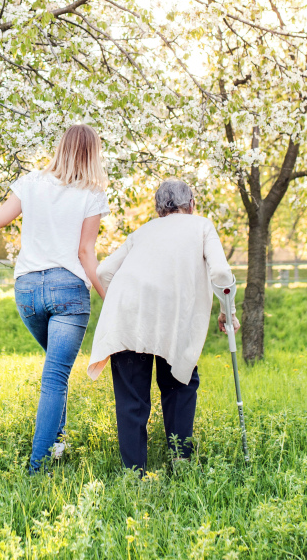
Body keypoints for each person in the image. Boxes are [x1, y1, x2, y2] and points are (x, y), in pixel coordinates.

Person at [0, 124, 110, 473]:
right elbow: (86, 253)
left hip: (28, 290)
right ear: (92, 154)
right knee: (56, 375)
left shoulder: (31, 182)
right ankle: (37, 468)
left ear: (60, 148)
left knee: (56, 369)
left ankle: (57, 440)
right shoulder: (93, 193)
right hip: (68, 291)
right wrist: (111, 298)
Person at [87, 177, 237, 473]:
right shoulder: (202, 225)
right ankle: (181, 461)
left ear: (158, 209)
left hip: (128, 317)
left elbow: (103, 271)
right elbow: (220, 271)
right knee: (179, 384)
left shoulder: (143, 231)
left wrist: (122, 306)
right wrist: (226, 312)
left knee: (132, 397)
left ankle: (134, 473)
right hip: (175, 319)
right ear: (192, 205)